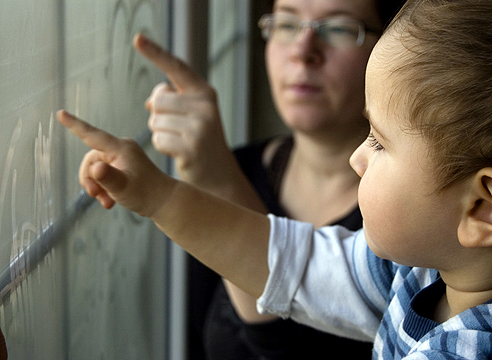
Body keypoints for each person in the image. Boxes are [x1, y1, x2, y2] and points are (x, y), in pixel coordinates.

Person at [58, 0, 492, 357]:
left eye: (379, 142)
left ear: (481, 208)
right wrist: (158, 195)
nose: (360, 157)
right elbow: (289, 265)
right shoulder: (419, 270)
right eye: (285, 22)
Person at [144, 0, 404, 358]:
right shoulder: (234, 165)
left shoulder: (410, 221)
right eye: (286, 24)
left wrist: (219, 187)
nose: (302, 51)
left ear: (394, 49)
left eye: (339, 28)